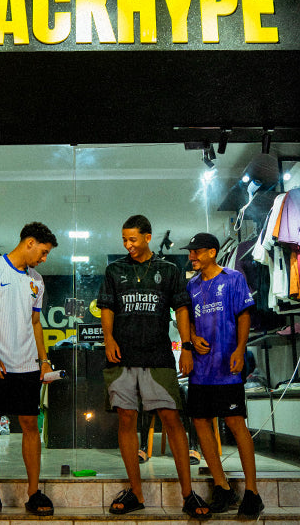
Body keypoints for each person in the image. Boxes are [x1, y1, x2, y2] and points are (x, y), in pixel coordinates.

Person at [100, 215, 198, 516]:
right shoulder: (114, 270)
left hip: (158, 356)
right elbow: (107, 307)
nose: (128, 245)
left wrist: (186, 347)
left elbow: (182, 309)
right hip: (122, 357)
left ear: (147, 237)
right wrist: (108, 339)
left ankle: (188, 494)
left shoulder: (168, 270)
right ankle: (136, 492)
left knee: (172, 419)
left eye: (133, 239)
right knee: (126, 419)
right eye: (124, 240)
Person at [0, 222, 58, 517]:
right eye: (43, 252)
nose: (44, 258)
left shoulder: (37, 280)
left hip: (27, 365)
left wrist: (44, 360)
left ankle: (34, 492)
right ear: (29, 243)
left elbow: (35, 322)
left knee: (30, 425)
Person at [180, 233, 265, 518]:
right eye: (190, 252)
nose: (191, 256)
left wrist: (240, 349)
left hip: (227, 366)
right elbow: (187, 320)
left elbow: (244, 316)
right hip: (200, 369)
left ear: (212, 252)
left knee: (235, 422)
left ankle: (252, 492)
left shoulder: (233, 278)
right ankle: (222, 486)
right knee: (200, 422)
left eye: (197, 251)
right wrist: (192, 339)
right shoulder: (191, 285)